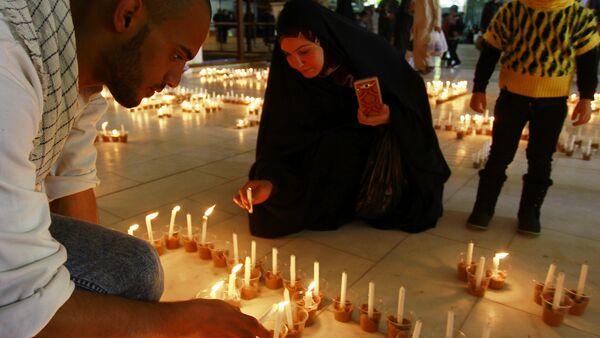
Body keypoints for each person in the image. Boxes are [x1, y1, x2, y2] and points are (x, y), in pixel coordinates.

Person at [0, 0, 269, 337]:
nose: (175, 81)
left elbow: (72, 180)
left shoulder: (76, 75)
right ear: (127, 14)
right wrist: (182, 322)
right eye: (177, 55)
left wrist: (96, 297)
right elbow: (16, 305)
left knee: (132, 270)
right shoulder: (9, 65)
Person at [233, 0, 450, 238]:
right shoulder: (290, 78)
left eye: (304, 51)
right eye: (287, 54)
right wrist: (271, 183)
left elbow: (411, 101)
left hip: (374, 149)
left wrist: (390, 116)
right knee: (269, 216)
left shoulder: (370, 53)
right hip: (331, 153)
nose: (297, 63)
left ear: (325, 40)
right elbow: (281, 138)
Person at [467, 0, 599, 235]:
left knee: (541, 158)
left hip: (553, 101)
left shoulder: (578, 15)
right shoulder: (513, 10)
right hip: (512, 98)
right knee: (499, 153)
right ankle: (483, 207)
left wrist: (586, 97)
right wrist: (479, 88)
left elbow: (588, 58)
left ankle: (529, 211)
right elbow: (490, 52)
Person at [412, 0, 441, 74]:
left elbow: (437, 8)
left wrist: (438, 23)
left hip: (427, 23)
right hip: (417, 22)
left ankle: (429, 64)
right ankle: (420, 67)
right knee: (416, 45)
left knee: (423, 44)